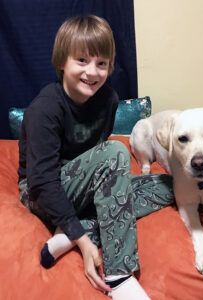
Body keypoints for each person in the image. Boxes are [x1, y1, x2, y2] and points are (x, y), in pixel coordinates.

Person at [18, 15, 174, 299]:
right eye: (82, 61)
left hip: (83, 188)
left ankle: (80, 230)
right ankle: (119, 276)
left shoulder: (108, 99)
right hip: (41, 190)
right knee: (115, 151)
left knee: (170, 185)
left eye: (101, 64)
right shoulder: (44, 109)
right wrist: (84, 244)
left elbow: (98, 160)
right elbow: (41, 182)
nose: (92, 72)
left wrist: (77, 230)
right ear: (62, 62)